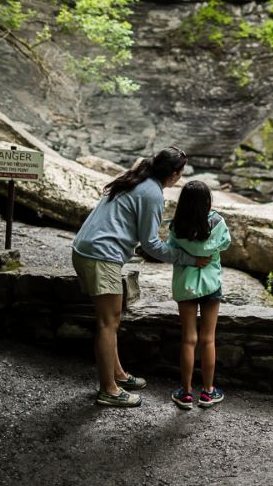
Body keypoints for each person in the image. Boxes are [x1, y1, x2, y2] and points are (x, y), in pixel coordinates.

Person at [72, 146, 210, 408]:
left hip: (90, 250)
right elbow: (150, 244)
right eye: (180, 172)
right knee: (107, 323)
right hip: (101, 256)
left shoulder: (137, 178)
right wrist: (188, 258)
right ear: (174, 174)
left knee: (111, 319)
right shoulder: (152, 193)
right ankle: (108, 391)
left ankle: (118, 375)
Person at [168, 180, 231, 410]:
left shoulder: (177, 226)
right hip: (211, 284)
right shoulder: (216, 222)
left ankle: (185, 393)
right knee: (208, 339)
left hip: (186, 286)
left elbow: (171, 249)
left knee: (188, 338)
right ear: (207, 202)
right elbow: (225, 243)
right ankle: (207, 392)